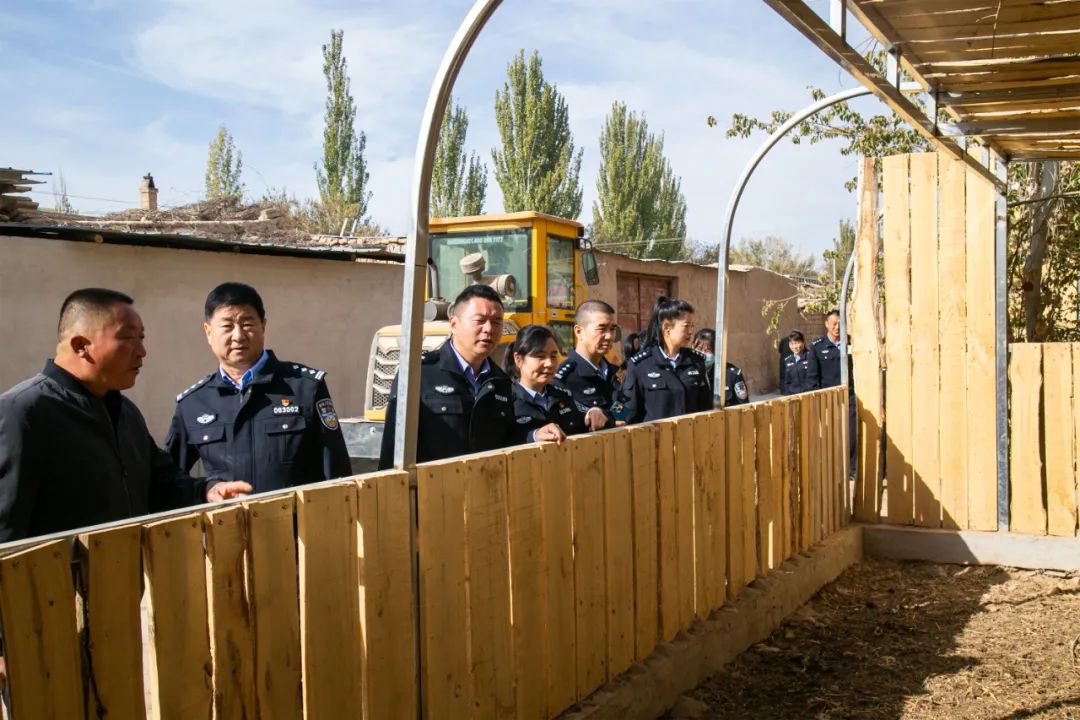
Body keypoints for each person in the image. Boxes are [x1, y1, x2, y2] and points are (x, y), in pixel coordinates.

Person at [0, 289, 251, 542]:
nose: (142, 351)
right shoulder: (23, 413)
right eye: (128, 337)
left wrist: (207, 491)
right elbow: (7, 529)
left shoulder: (124, 412)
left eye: (141, 338)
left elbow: (161, 485)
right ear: (81, 346)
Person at [167, 283, 352, 493]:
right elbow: (169, 481)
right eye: (227, 326)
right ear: (208, 332)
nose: (238, 336)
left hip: (296, 514)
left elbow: (337, 473)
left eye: (247, 324)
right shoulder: (193, 404)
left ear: (263, 326)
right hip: (228, 515)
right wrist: (207, 490)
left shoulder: (305, 388)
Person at [378, 284, 525, 469]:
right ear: (454, 324)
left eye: (496, 322)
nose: (489, 329)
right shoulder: (420, 375)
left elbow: (509, 441)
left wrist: (534, 435)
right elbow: (393, 449)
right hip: (433, 484)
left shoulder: (500, 382)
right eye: (480, 320)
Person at [622, 298, 712, 423]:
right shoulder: (641, 364)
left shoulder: (696, 361)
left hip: (690, 433)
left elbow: (706, 406)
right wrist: (614, 420)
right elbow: (624, 409)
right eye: (686, 326)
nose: (691, 331)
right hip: (653, 434)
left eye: (692, 326)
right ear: (667, 327)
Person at [505, 325, 586, 442]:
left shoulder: (563, 395)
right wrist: (534, 436)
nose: (549, 363)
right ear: (518, 359)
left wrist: (594, 412)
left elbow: (584, 419)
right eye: (540, 356)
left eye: (553, 356)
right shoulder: (505, 401)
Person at [550, 300, 620, 431]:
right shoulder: (564, 379)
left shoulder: (614, 373)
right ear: (579, 332)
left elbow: (626, 408)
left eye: (612, 329)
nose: (609, 336)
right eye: (602, 329)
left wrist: (611, 418)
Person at [691, 328, 750, 407]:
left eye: (708, 350)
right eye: (699, 349)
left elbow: (743, 407)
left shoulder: (731, 374)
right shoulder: (687, 373)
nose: (703, 354)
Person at [781, 330, 814, 395]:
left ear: (803, 342)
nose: (795, 347)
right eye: (792, 344)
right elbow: (787, 382)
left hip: (809, 394)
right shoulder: (788, 360)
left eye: (797, 343)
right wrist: (787, 395)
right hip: (793, 395)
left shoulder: (811, 357)